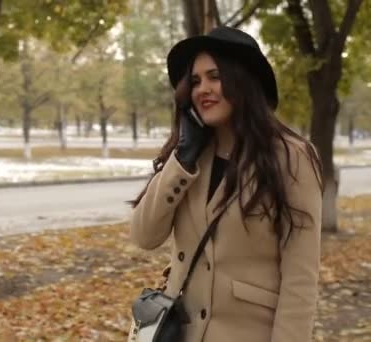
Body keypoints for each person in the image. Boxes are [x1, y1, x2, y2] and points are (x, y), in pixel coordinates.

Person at [129, 26, 323, 342]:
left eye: (214, 76)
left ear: (242, 81)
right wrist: (182, 158)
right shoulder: (189, 157)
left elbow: (300, 281)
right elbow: (143, 235)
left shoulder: (291, 158)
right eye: (195, 81)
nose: (202, 88)